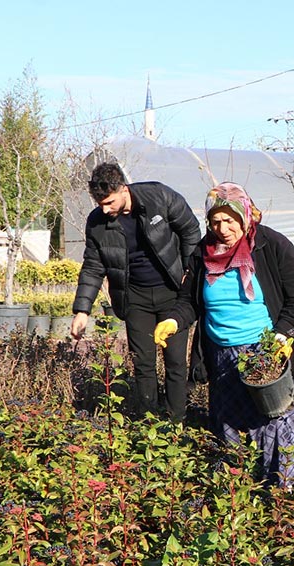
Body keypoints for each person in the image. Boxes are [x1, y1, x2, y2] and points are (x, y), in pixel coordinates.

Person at [153, 182, 294, 488]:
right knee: (232, 428)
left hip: (269, 350)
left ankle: (285, 496)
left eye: (230, 220)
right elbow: (189, 302)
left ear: (245, 216)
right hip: (223, 356)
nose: (222, 228)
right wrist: (173, 321)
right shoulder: (202, 253)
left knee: (277, 425)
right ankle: (239, 495)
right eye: (215, 222)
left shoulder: (271, 244)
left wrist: (284, 335)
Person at [70, 163, 202, 421]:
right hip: (135, 298)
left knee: (175, 363)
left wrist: (188, 270)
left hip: (172, 294)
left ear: (122, 189)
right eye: (99, 203)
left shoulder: (160, 197)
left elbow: (190, 230)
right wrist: (82, 310)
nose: (104, 209)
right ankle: (148, 424)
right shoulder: (97, 222)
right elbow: (93, 265)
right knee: (143, 364)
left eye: (109, 202)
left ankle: (176, 423)